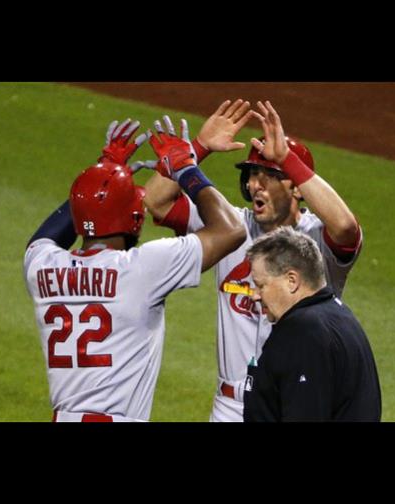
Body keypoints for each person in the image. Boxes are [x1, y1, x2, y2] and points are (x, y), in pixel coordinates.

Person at [143, 100, 364, 422]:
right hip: (231, 406)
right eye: (252, 174)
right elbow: (156, 201)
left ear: (296, 187)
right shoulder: (229, 227)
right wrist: (199, 146)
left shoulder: (317, 239)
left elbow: (346, 227)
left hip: (297, 402)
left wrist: (288, 160)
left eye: (269, 175)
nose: (254, 184)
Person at [23, 116, 245, 422]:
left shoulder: (42, 267)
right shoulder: (142, 269)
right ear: (134, 219)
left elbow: (44, 237)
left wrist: (103, 171)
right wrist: (186, 169)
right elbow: (232, 229)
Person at [241, 227, 381, 421]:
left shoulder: (303, 332)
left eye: (260, 285)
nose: (255, 295)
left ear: (291, 281)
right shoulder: (339, 315)